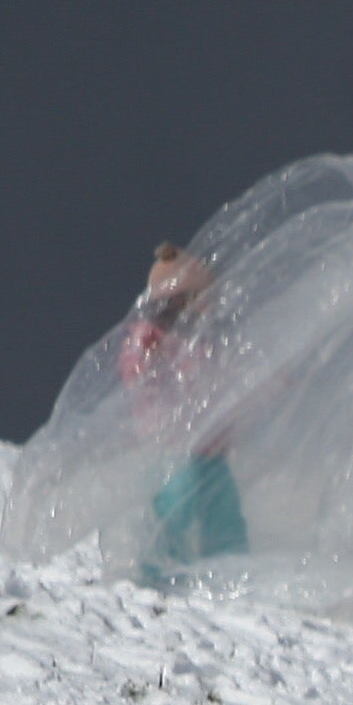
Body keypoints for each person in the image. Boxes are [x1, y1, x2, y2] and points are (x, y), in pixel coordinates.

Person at [118, 245, 245, 590]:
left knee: (223, 512)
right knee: (176, 506)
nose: (204, 307)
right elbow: (134, 370)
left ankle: (232, 567)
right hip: (172, 447)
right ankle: (155, 570)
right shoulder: (152, 336)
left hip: (211, 449)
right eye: (196, 298)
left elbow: (226, 380)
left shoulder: (206, 339)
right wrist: (149, 356)